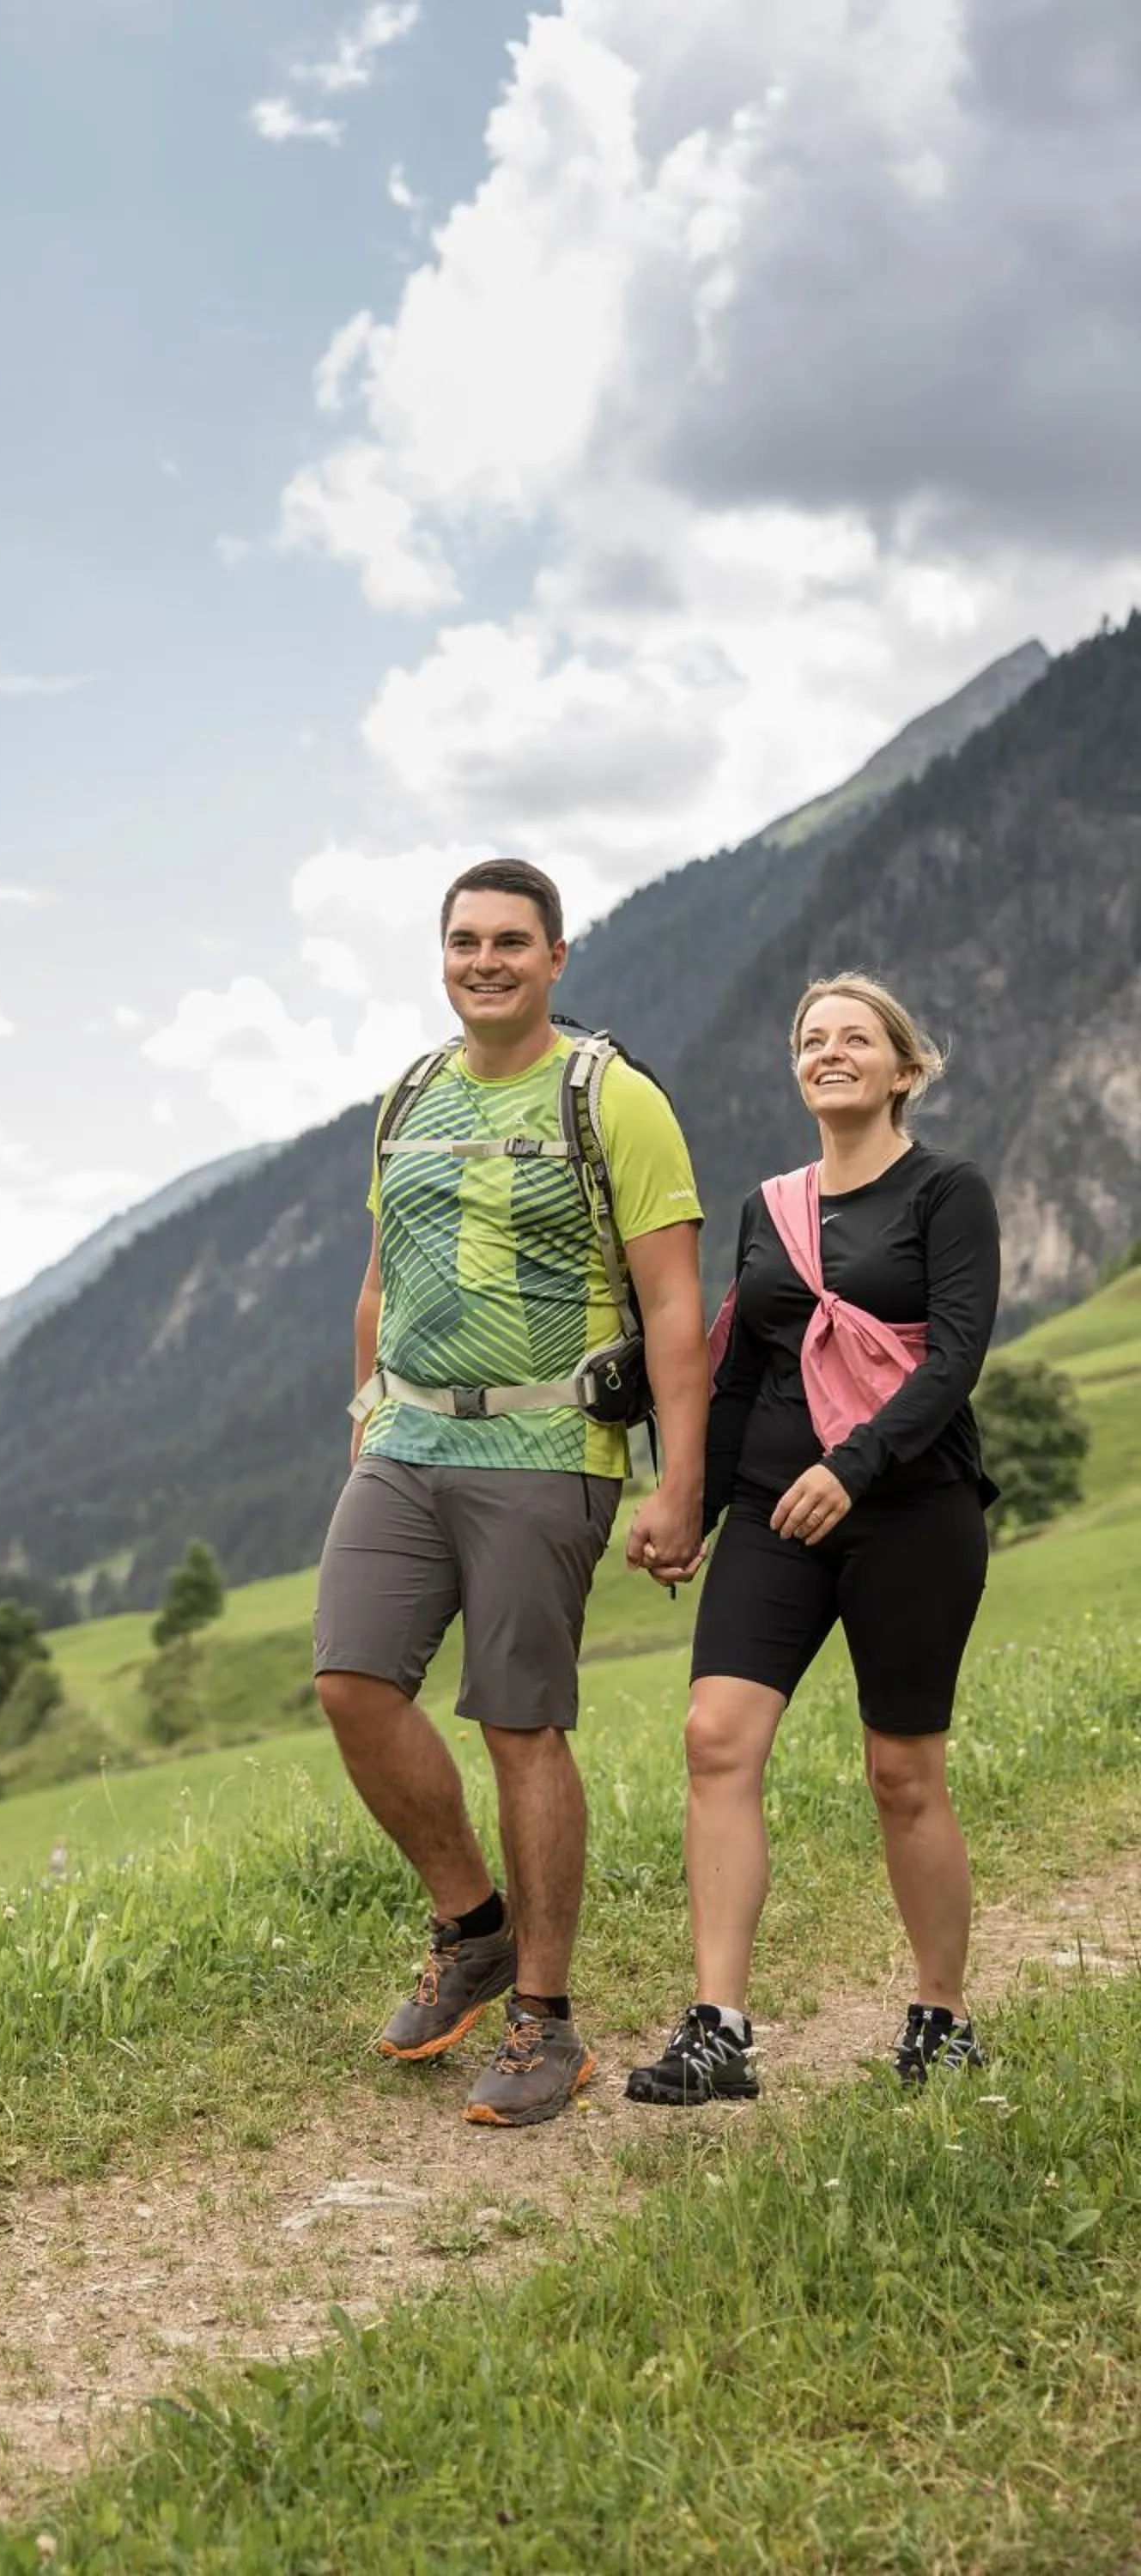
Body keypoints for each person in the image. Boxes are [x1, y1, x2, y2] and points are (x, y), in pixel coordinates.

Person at [313, 856, 708, 2128]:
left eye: (512, 942)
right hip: (407, 1443)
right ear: (443, 956)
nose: (486, 960)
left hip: (547, 1453)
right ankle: (471, 1929)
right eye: (465, 941)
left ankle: (546, 2019)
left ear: (555, 960)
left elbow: (673, 1308)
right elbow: (383, 1271)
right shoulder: (412, 1094)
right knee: (351, 1682)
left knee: (518, 1724)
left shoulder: (614, 1097)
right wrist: (367, 1403)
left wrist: (677, 1485)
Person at [625, 973, 1001, 2109]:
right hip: (777, 1512)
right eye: (811, 1039)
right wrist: (687, 1498)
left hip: (908, 1507)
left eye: (855, 1038)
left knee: (902, 1773)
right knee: (716, 1737)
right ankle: (720, 2027)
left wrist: (856, 1466)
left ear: (901, 1069)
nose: (829, 1052)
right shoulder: (769, 1208)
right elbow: (740, 1370)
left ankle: (939, 2016)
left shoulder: (948, 1191)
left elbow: (955, 1359)